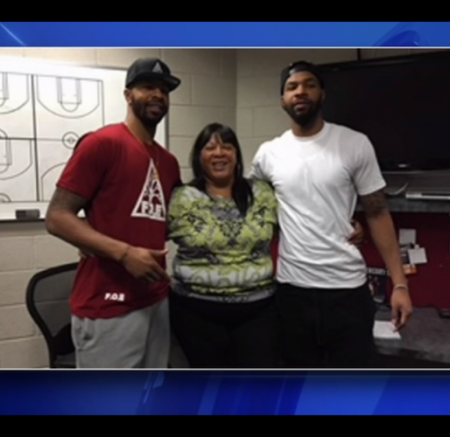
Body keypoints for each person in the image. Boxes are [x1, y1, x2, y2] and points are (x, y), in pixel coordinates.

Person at [248, 60, 413, 368]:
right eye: (292, 87)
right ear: (282, 100)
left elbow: (377, 213)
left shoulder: (354, 144)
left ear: (322, 94)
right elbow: (256, 210)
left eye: (309, 85)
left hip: (347, 293)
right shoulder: (268, 154)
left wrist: (400, 284)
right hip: (292, 293)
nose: (301, 92)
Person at [166, 123, 366, 368]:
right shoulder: (180, 198)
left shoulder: (261, 193)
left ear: (237, 155)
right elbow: (148, 232)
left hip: (257, 312)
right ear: (199, 156)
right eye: (210, 148)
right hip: (196, 312)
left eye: (227, 147)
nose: (219, 153)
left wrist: (347, 224)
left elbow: (304, 213)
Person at [45, 57, 183, 369]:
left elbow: (158, 222)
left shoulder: (169, 162)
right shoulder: (103, 144)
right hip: (109, 302)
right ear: (127, 95)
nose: (158, 95)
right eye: (148, 87)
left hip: (154, 299)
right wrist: (123, 253)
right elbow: (57, 217)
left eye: (164, 89)